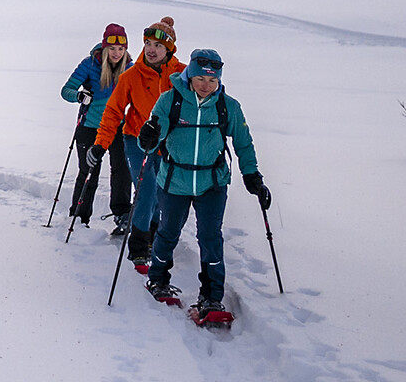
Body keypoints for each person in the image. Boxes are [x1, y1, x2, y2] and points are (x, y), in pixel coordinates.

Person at [138, 46, 270, 317]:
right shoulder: (170, 101)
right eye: (200, 78)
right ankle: (158, 279)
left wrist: (252, 175)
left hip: (212, 182)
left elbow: (243, 143)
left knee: (210, 237)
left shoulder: (228, 106)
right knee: (168, 232)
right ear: (189, 75)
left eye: (212, 80)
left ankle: (211, 296)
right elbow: (152, 141)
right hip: (174, 181)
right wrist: (147, 138)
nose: (206, 85)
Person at [90, 16, 185, 269]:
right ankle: (139, 246)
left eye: (158, 45)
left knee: (162, 192)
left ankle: (154, 234)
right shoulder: (131, 75)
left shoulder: (182, 74)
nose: (151, 49)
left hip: (168, 143)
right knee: (146, 189)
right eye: (148, 44)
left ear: (169, 49)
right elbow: (113, 111)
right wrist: (100, 144)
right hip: (136, 140)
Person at [60, 24, 134, 231]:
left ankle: (122, 214)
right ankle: (79, 216)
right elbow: (66, 90)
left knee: (122, 170)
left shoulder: (130, 68)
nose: (117, 53)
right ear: (104, 47)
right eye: (112, 48)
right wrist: (79, 96)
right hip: (90, 126)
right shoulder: (90, 64)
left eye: (121, 49)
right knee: (88, 171)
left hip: (118, 126)